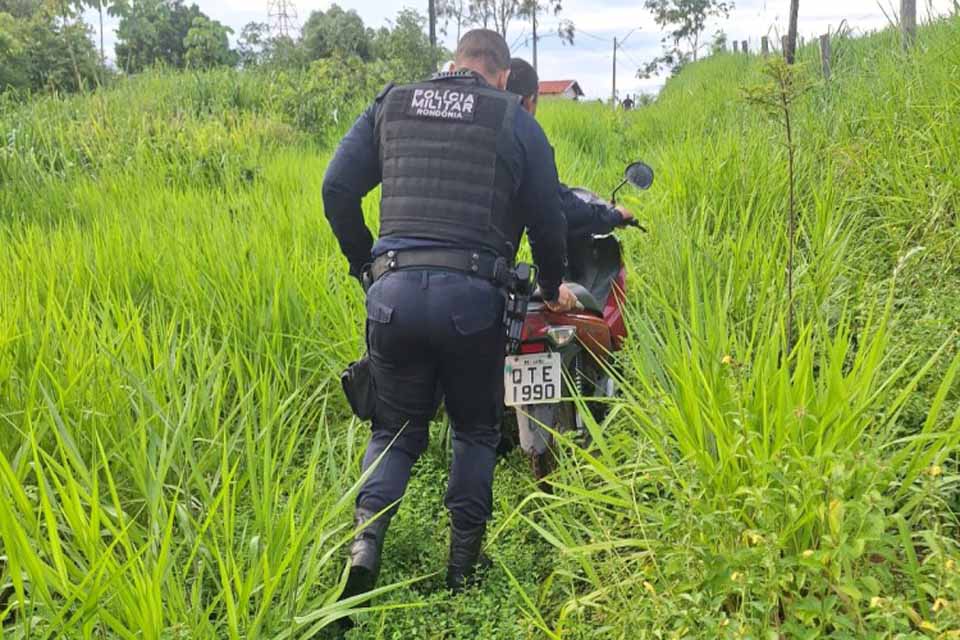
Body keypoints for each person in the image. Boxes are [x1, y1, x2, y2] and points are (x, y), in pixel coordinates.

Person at [322, 29, 577, 598]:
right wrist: (555, 285)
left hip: (393, 298)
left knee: (393, 430)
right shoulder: (516, 121)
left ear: (455, 62)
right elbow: (550, 219)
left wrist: (367, 266)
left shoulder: (392, 102)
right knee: (474, 433)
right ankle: (462, 572)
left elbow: (337, 187)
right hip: (474, 303)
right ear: (504, 75)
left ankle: (364, 550)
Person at [505, 58, 634, 238]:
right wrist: (614, 216)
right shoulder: (528, 137)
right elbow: (558, 208)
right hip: (488, 260)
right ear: (530, 100)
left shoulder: (467, 122)